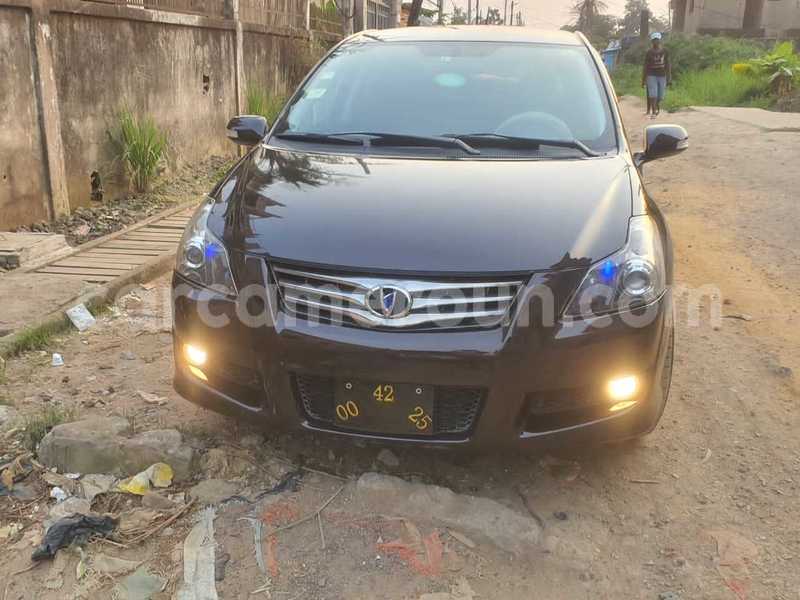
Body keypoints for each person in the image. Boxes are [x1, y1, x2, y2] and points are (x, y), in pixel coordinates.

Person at [642, 32, 671, 118]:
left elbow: (668, 64)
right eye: (654, 40)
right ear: (652, 41)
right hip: (651, 75)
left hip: (662, 75)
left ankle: (656, 105)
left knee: (661, 96)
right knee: (653, 94)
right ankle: (654, 112)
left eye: (657, 40)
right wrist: (643, 80)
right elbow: (645, 66)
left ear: (660, 40)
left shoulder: (665, 51)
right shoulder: (649, 52)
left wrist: (669, 77)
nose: (656, 42)